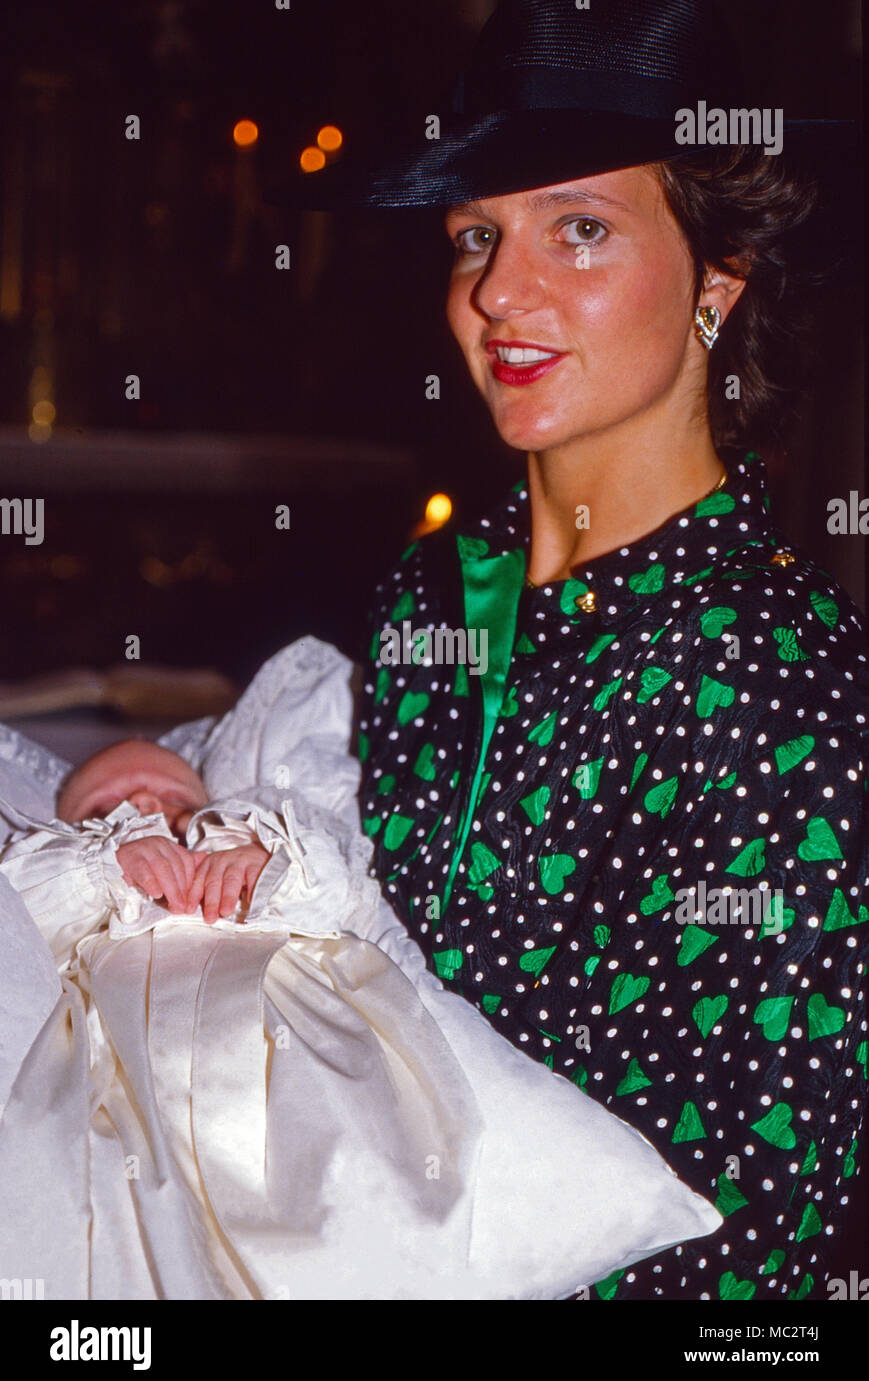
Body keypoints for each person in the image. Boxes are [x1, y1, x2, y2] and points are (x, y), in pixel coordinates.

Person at [339, 0, 869, 1300]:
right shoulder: (436, 587)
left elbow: (746, 1228)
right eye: (477, 234)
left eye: (578, 228)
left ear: (716, 285)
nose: (495, 293)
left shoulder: (777, 681)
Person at [0, 730, 721, 1298]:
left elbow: (344, 887)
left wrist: (266, 862)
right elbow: (23, 913)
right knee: (136, 1197)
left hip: (286, 1011)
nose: (147, 813)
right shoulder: (64, 858)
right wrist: (98, 865)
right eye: (107, 809)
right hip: (127, 1045)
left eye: (174, 801)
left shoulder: (254, 830)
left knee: (352, 1152)